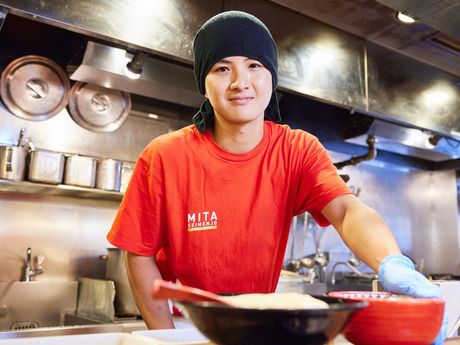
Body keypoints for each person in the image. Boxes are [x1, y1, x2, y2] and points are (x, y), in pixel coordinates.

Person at [107, 10, 447, 343]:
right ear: (204, 84)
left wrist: (391, 262)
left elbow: (346, 211)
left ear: (271, 76)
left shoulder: (297, 150)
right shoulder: (165, 155)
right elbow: (139, 252)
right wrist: (164, 335)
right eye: (222, 68)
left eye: (254, 65)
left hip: (258, 323)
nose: (241, 83)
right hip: (184, 325)